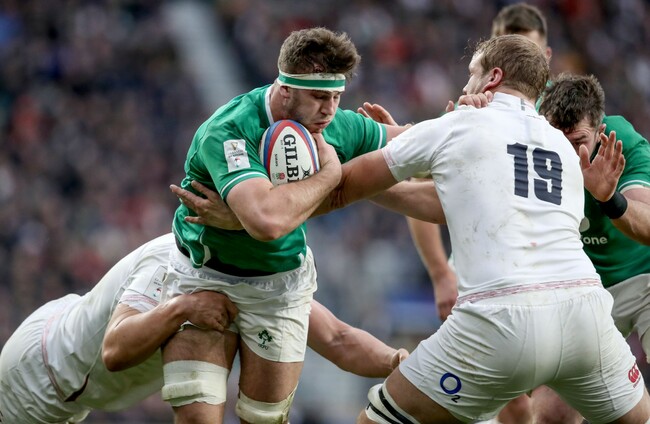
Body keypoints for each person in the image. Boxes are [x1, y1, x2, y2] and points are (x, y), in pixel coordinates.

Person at [318, 34, 650, 423]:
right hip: (585, 314)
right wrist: (409, 146)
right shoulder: (564, 147)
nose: (465, 87)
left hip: (503, 317)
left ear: (492, 77)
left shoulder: (461, 124)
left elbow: (343, 187)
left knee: (380, 419)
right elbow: (455, 198)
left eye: (471, 73)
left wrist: (308, 177)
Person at [161, 26, 406, 423]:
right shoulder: (230, 130)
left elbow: (413, 141)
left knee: (264, 419)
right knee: (196, 419)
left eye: (336, 97)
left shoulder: (331, 125)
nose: (329, 110)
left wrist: (473, 120)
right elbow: (268, 222)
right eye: (319, 98)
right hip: (205, 277)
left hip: (278, 284)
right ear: (285, 90)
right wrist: (328, 175)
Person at [0, 233, 408, 423]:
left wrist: (400, 362)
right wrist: (184, 307)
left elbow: (337, 338)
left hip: (77, 386)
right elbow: (115, 350)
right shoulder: (171, 261)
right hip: (41, 377)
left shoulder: (260, 273)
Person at [529, 72, 650, 424]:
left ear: (599, 128)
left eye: (579, 140)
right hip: (584, 288)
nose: (569, 153)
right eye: (559, 140)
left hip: (644, 276)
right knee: (550, 413)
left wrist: (609, 199)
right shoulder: (531, 136)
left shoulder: (623, 141)